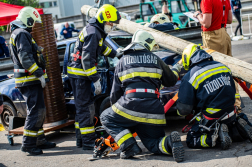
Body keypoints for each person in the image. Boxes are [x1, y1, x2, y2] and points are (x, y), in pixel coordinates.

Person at [100, 30, 185, 162]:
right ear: (147, 44)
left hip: (129, 105)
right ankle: (169, 143)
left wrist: (120, 117)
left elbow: (115, 94)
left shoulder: (122, 61)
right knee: (153, 143)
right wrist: (176, 68)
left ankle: (129, 147)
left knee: (105, 117)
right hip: (154, 111)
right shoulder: (156, 60)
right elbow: (171, 81)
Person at [67, 4, 123, 150]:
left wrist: (115, 53)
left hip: (80, 75)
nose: (113, 25)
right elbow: (87, 59)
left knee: (83, 108)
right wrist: (95, 79)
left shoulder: (95, 31)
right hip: (81, 75)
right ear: (104, 19)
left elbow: (101, 48)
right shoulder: (93, 33)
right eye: (112, 23)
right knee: (85, 109)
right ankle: (88, 142)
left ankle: (81, 139)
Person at [176, 44, 252, 150]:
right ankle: (239, 126)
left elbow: (184, 109)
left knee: (192, 138)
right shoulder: (223, 67)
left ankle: (212, 138)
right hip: (231, 112)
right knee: (232, 128)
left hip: (211, 118)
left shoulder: (191, 76)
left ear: (187, 58)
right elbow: (233, 91)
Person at [9, 6, 56, 155]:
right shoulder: (22, 33)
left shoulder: (18, 33)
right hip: (29, 80)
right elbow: (25, 58)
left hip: (29, 80)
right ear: (27, 19)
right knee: (35, 111)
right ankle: (28, 144)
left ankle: (39, 139)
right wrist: (38, 74)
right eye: (33, 21)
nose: (34, 25)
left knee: (38, 111)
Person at [193, 0, 242, 113]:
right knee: (230, 71)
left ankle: (221, 106)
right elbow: (229, 20)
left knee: (214, 72)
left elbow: (207, 23)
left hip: (212, 36)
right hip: (223, 33)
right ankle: (236, 103)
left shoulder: (207, 1)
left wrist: (197, 15)